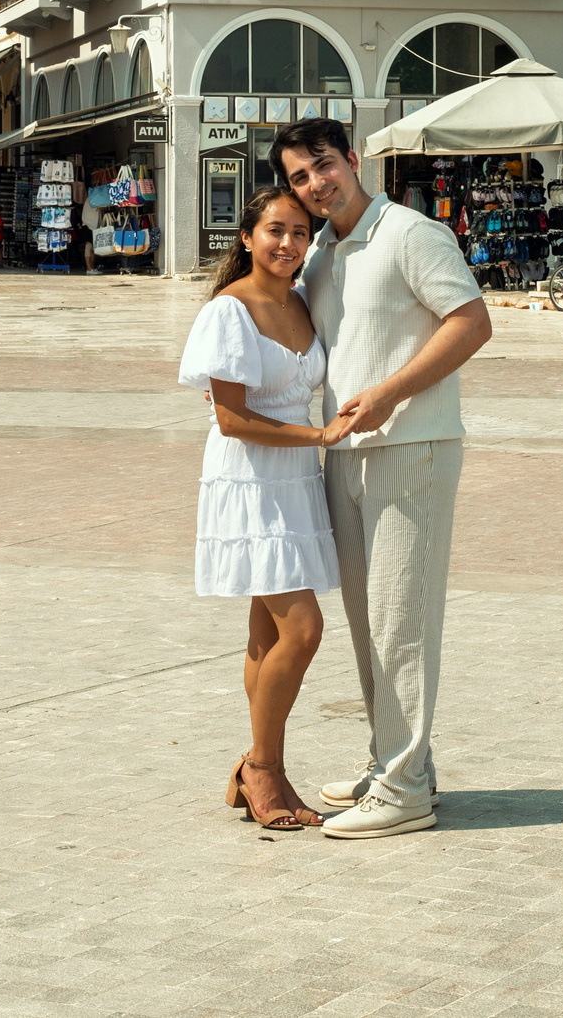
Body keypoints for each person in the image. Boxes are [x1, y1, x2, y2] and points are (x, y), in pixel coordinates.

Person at [274, 116, 492, 840]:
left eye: (324, 165)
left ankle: (404, 790)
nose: (316, 183)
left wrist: (391, 393)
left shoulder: (410, 233)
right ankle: (396, 764)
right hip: (344, 452)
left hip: (412, 445)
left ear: (353, 158)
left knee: (403, 619)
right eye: (300, 177)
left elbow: (471, 322)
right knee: (369, 621)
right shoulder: (319, 254)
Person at [178, 185, 355, 832]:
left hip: (295, 479)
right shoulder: (229, 311)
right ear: (247, 236)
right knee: (303, 630)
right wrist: (319, 435)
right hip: (250, 479)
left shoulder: (301, 300)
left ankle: (255, 767)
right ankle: (264, 767)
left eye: (300, 232)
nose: (288, 243)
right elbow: (230, 418)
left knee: (269, 634)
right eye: (275, 230)